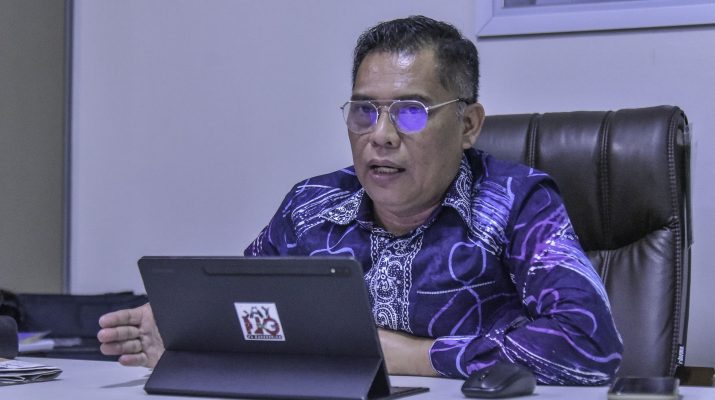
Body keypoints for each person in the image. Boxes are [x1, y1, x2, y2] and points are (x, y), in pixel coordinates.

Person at [97, 15, 623, 384]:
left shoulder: (515, 202)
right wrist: (191, 333)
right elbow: (251, 310)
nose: (382, 136)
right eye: (364, 112)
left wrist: (407, 356)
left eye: (411, 112)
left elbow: (591, 347)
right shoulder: (312, 207)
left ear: (468, 124)